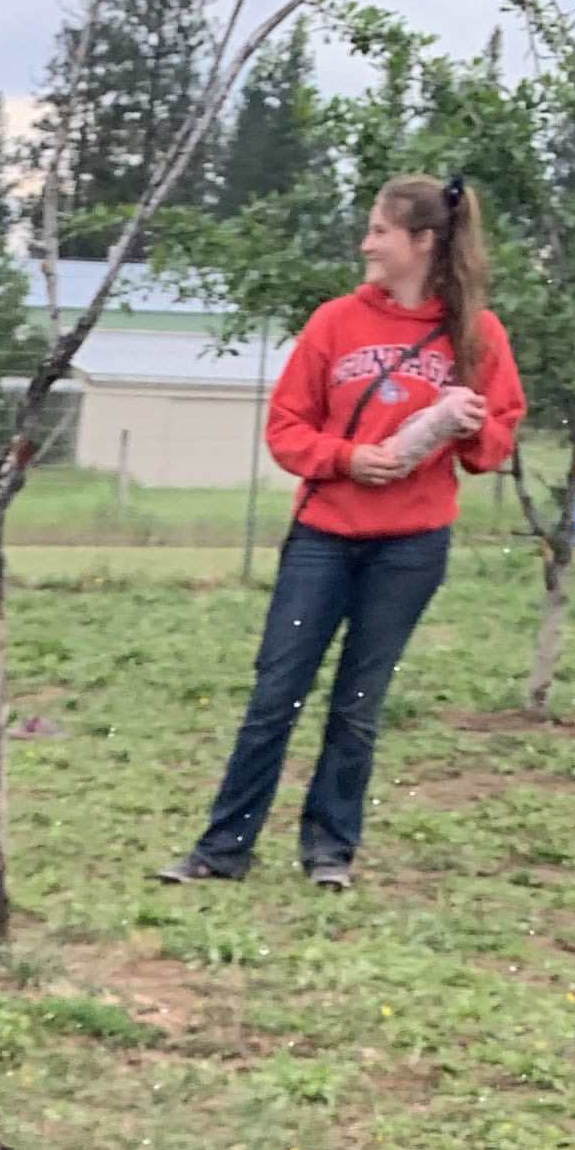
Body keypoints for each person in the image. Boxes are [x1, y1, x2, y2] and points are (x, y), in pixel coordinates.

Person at [159, 174, 523, 894]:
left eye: (380, 231)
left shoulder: (476, 333)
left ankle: (331, 852)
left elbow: (494, 444)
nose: (367, 244)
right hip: (324, 537)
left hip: (411, 547)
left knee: (359, 704)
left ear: (423, 242)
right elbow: (287, 428)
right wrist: (349, 458)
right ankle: (221, 849)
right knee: (276, 694)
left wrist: (473, 429)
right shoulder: (334, 323)